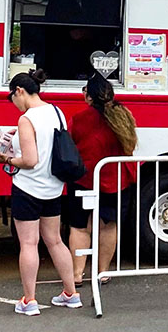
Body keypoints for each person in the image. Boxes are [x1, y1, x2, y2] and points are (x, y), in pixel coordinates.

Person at [0, 69, 79, 315]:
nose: (15, 104)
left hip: (28, 189)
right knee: (55, 241)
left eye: (13, 98)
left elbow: (30, 160)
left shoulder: (26, 119)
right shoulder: (57, 112)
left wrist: (7, 159)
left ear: (19, 91)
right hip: (53, 188)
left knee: (29, 244)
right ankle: (71, 293)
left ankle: (29, 300)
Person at [67, 73, 137, 287]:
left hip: (84, 179)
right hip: (117, 179)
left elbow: (71, 146)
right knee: (108, 226)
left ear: (89, 95)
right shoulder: (124, 115)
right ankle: (102, 272)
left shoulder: (79, 119)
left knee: (79, 227)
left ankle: (77, 274)